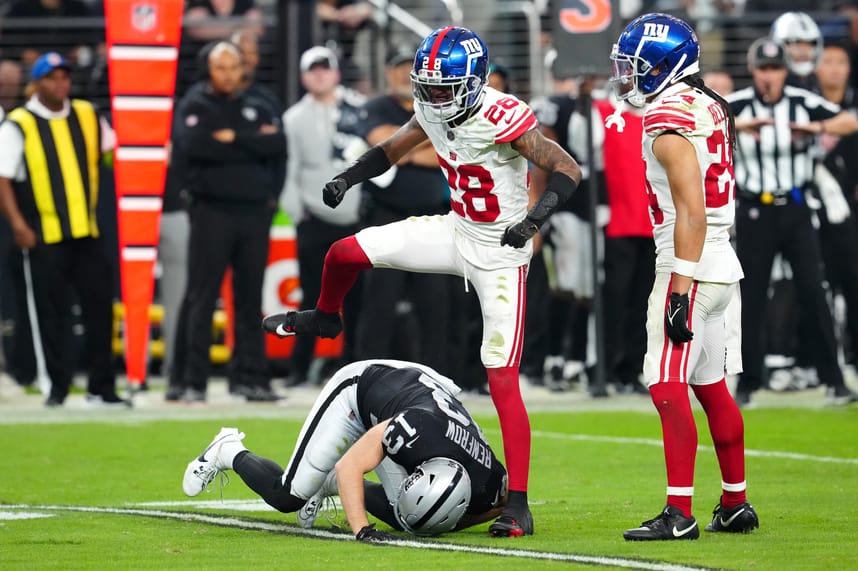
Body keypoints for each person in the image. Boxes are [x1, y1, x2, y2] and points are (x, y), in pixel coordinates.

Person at [262, 26, 582, 537]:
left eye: (443, 86)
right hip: (456, 230)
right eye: (427, 85)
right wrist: (348, 177)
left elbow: (568, 168)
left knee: (501, 378)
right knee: (345, 252)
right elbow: (392, 149)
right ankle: (326, 316)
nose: (433, 95)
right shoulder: (434, 106)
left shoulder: (503, 115)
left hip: (502, 251)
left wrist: (534, 220)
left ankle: (518, 501)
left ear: (473, 82)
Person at [608, 13, 759, 541]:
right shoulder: (708, 101)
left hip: (689, 263)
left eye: (634, 67)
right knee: (713, 388)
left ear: (662, 66)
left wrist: (677, 287)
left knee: (668, 389)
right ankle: (736, 502)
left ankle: (679, 514)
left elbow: (691, 213)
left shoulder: (666, 116)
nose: (627, 76)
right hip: (720, 262)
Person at [181, 359, 509, 540]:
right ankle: (228, 450)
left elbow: (502, 505)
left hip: (420, 398)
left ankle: (330, 488)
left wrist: (451, 523)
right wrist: (362, 530)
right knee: (289, 496)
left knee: (407, 518)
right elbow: (349, 466)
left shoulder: (488, 481)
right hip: (360, 390)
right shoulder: (417, 432)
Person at [727, 37, 858, 407]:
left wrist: (817, 130)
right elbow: (700, 123)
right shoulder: (735, 105)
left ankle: (833, 380)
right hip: (754, 210)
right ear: (752, 71)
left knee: (813, 292)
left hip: (796, 208)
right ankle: (748, 383)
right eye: (763, 69)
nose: (769, 76)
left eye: (775, 68)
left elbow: (849, 120)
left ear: (785, 71)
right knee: (751, 296)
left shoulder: (802, 103)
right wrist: (738, 125)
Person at [0, 52, 128, 408]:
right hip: (45, 234)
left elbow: (113, 155)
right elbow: (3, 179)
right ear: (37, 83)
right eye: (52, 77)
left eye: (64, 77)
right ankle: (57, 386)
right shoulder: (19, 124)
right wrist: (19, 225)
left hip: (86, 231)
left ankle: (102, 387)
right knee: (51, 314)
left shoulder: (88, 115)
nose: (61, 83)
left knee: (100, 309)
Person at [169, 41, 285, 402]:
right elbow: (193, 146)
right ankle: (189, 381)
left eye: (233, 67)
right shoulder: (194, 105)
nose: (229, 74)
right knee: (201, 296)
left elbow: (279, 147)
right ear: (208, 69)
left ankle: (251, 379)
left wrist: (232, 140)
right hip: (211, 211)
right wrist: (253, 143)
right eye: (221, 68)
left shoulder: (261, 103)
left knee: (250, 298)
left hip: (254, 212)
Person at [352, 48, 455, 375]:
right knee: (379, 302)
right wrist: (425, 142)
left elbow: (448, 151)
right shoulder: (374, 107)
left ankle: (438, 379)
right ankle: (367, 377)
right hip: (386, 216)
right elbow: (382, 144)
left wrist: (403, 148)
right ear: (386, 72)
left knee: (436, 304)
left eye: (407, 69)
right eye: (396, 68)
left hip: (433, 218)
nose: (401, 75)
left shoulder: (437, 107)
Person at [281, 46, 366, 387]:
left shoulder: (359, 110)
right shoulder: (293, 118)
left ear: (336, 73)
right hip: (314, 218)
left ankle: (354, 367)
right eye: (312, 70)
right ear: (303, 76)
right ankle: (299, 368)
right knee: (313, 296)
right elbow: (290, 170)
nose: (319, 75)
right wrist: (297, 214)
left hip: (355, 219)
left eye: (324, 68)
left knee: (358, 298)